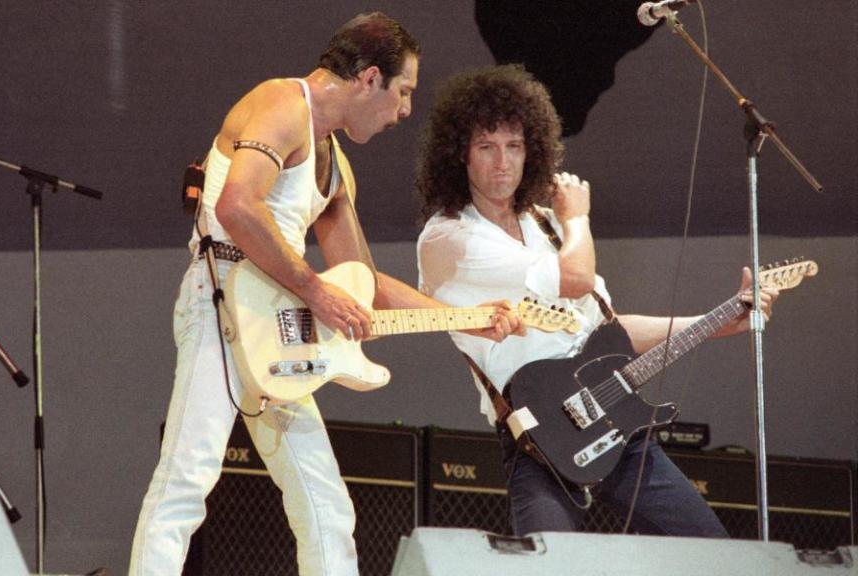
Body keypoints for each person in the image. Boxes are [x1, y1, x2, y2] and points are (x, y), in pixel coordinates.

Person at [130, 14, 519, 576]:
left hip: (276, 324)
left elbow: (361, 282)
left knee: (325, 504)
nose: (406, 110)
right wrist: (315, 291)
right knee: (186, 480)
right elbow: (235, 205)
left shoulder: (336, 165)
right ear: (368, 78)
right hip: (219, 302)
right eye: (403, 91)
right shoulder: (282, 103)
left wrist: (468, 318)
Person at [415, 64, 778, 538]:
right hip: (538, 438)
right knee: (550, 564)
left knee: (715, 553)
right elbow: (577, 277)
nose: (502, 161)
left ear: (532, 152)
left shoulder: (545, 225)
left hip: (614, 419)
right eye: (486, 146)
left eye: (514, 146)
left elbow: (607, 332)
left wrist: (717, 320)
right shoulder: (449, 237)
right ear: (459, 154)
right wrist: (580, 218)